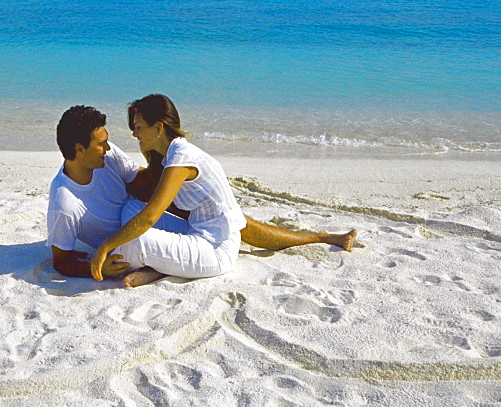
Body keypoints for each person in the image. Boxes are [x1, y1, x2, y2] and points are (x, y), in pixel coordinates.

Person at [47, 101, 356, 287]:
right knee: (137, 237)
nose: (110, 146)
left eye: (137, 127)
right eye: (100, 143)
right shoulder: (64, 202)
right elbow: (60, 260)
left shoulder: (108, 155)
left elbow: (138, 183)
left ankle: (318, 237)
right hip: (133, 237)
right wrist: (91, 266)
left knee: (229, 216)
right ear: (78, 149)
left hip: (141, 217)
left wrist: (173, 172)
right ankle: (158, 266)